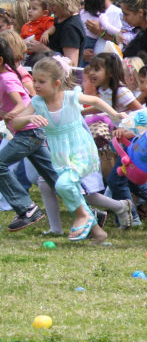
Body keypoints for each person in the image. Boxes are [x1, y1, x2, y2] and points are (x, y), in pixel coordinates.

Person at [9, 57, 125, 243]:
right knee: (69, 189)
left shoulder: (70, 97)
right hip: (60, 155)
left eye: (41, 81)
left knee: (63, 185)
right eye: (34, 80)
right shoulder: (37, 103)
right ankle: (98, 233)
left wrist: (114, 114)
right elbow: (16, 122)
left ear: (56, 83)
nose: (36, 85)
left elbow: (95, 100)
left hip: (81, 150)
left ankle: (83, 217)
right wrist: (29, 119)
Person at [0, 37, 56, 231]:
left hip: (28, 133)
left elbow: (21, 104)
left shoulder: (6, 78)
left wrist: (13, 115)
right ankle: (90, 212)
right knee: (55, 178)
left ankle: (27, 208)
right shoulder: (6, 75)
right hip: (29, 133)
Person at [26, 0, 84, 67]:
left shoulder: (70, 27)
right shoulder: (60, 19)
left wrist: (44, 50)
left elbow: (71, 64)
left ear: (63, 2)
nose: (49, 8)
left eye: (52, 5)